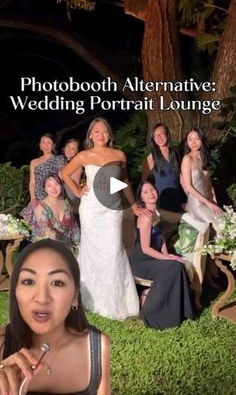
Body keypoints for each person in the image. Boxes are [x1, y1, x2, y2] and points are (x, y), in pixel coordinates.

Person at [0, 239, 111, 395]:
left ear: (75, 296)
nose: (42, 298)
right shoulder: (2, 342)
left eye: (57, 283)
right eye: (29, 281)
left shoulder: (98, 346)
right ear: (15, 291)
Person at [61, 117, 141, 320]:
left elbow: (124, 182)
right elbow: (64, 173)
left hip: (112, 210)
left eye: (104, 131)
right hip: (91, 209)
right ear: (90, 135)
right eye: (96, 131)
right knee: (94, 252)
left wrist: (134, 205)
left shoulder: (119, 154)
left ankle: (116, 301)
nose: (101, 135)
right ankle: (92, 298)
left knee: (113, 251)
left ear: (110, 134)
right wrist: (78, 191)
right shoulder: (83, 155)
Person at [130, 181, 196, 329]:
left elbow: (161, 240)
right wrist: (167, 258)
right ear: (141, 198)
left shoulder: (157, 213)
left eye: (152, 189)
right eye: (145, 192)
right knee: (173, 266)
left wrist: (169, 255)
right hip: (140, 261)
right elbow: (146, 248)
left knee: (177, 265)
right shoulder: (146, 216)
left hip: (152, 257)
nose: (151, 193)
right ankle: (149, 310)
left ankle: (183, 311)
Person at [21, 174, 80, 251]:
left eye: (57, 184)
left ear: (61, 186)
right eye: (49, 185)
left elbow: (74, 229)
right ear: (44, 188)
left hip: (67, 249)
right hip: (47, 249)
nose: (54, 188)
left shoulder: (66, 203)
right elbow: (45, 233)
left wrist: (79, 247)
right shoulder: (41, 206)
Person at [181, 128, 223, 226]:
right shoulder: (187, 159)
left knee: (228, 219)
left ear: (202, 140)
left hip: (208, 201)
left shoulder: (203, 156)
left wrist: (214, 202)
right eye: (190, 139)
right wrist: (208, 203)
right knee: (224, 222)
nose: (193, 142)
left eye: (197, 139)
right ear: (187, 142)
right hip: (197, 204)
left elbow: (209, 184)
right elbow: (188, 187)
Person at [142, 123, 186, 212]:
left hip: (177, 195)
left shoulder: (175, 153)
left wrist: (189, 194)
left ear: (167, 135)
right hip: (163, 198)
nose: (159, 138)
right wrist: (147, 203)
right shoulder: (152, 157)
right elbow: (143, 181)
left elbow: (181, 176)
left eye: (161, 134)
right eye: (155, 136)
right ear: (153, 139)